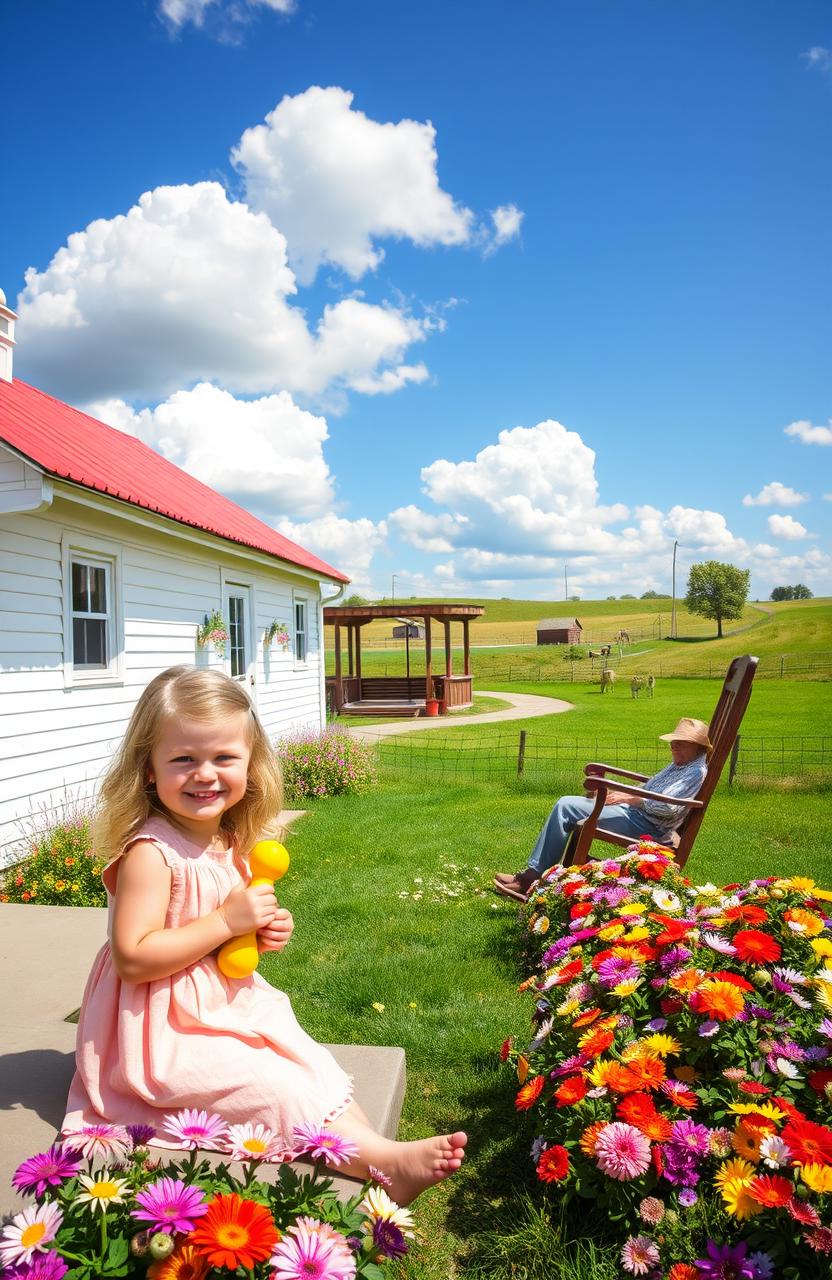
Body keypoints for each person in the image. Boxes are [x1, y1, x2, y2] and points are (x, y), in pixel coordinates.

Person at [63, 665, 466, 1205]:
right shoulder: (149, 854)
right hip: (158, 1027)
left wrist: (257, 930)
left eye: (223, 757)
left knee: (309, 1062)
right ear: (147, 770)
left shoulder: (223, 839)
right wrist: (227, 922)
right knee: (270, 1086)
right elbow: (134, 958)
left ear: (251, 766)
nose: (204, 773)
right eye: (183, 758)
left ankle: (375, 1150)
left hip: (216, 1003)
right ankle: (382, 1163)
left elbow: (220, 934)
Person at [494, 717, 712, 901]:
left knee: (566, 806)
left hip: (648, 827)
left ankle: (533, 877)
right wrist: (619, 795)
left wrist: (630, 798)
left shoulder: (694, 772)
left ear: (698, 747)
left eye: (681, 743)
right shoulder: (682, 764)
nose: (673, 746)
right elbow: (651, 788)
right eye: (674, 741)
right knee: (571, 806)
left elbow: (670, 807)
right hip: (636, 815)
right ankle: (536, 875)